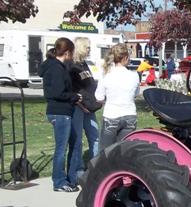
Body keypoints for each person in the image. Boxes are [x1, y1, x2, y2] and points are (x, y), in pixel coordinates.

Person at [38, 37, 81, 192]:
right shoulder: (55, 68)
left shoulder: (59, 66)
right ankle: (59, 181)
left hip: (65, 111)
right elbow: (56, 92)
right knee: (61, 148)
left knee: (75, 143)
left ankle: (71, 177)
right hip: (59, 112)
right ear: (68, 52)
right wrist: (74, 97)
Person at [68, 37, 102, 183]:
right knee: (77, 140)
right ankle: (78, 170)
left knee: (95, 136)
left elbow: (90, 85)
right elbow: (72, 90)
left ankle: (97, 167)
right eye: (87, 47)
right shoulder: (72, 66)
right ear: (80, 47)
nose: (89, 49)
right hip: (78, 107)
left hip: (90, 108)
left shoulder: (84, 65)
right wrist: (81, 105)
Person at [96, 43, 141, 149]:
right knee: (124, 151)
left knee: (106, 151)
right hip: (130, 114)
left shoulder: (106, 75)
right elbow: (136, 93)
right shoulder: (134, 75)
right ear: (125, 58)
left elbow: (99, 97)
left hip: (111, 115)